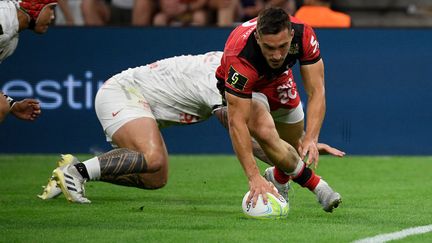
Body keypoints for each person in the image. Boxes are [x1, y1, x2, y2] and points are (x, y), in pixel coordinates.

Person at [37, 51, 345, 204]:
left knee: (157, 178)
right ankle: (74, 173)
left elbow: (267, 137)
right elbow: (247, 140)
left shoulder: (245, 68)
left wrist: (295, 153)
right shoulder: (228, 79)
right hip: (125, 92)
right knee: (153, 157)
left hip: (142, 101)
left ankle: (83, 170)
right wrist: (298, 168)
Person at [215, 7, 341, 212]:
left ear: (291, 35)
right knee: (265, 130)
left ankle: (278, 176)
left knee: (294, 146)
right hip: (247, 85)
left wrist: (311, 138)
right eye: (269, 48)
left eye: (282, 46)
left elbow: (317, 91)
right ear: (257, 37)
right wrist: (254, 177)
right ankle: (318, 186)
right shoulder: (240, 56)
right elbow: (237, 122)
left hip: (280, 79)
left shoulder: (303, 34)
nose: (276, 55)